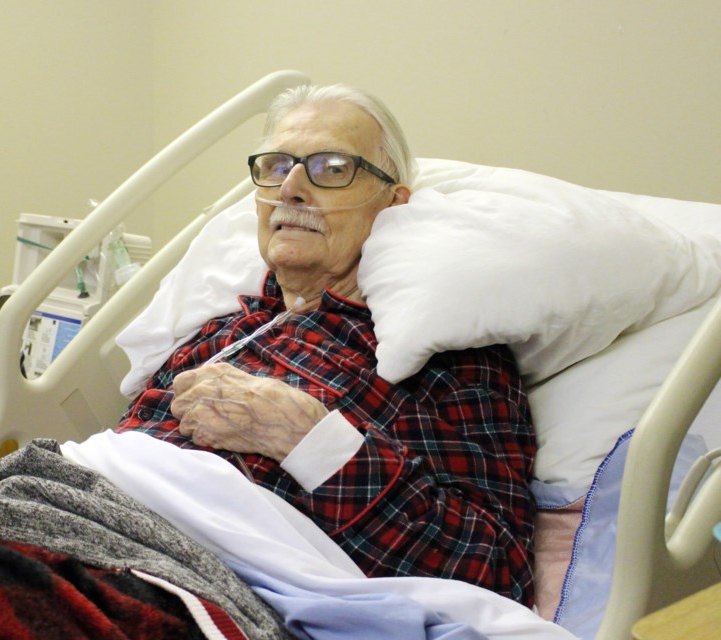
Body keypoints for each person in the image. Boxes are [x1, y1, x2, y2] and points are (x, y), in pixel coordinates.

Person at [112, 83, 537, 606]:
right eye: (276, 166)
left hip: (191, 592)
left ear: (393, 205)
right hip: (80, 530)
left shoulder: (448, 359)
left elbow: (498, 571)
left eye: (332, 168)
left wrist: (310, 442)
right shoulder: (218, 333)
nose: (289, 187)